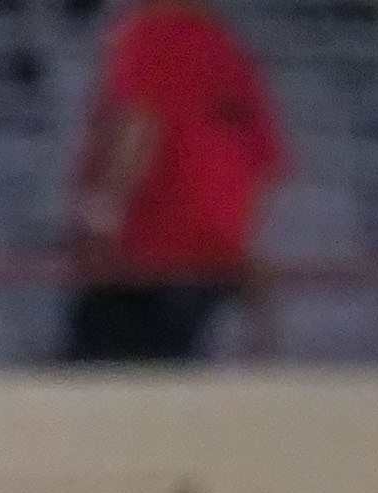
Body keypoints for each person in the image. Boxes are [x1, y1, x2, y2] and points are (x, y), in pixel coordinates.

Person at [63, 0, 285, 366]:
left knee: (89, 384)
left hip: (145, 256)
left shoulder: (147, 32)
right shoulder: (228, 47)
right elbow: (263, 160)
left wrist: (103, 214)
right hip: (211, 263)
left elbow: (140, 126)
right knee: (168, 375)